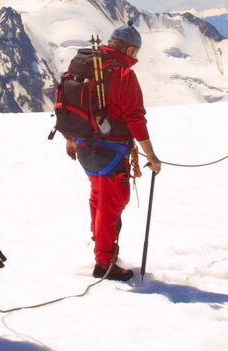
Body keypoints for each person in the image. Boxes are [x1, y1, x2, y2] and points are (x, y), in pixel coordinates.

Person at [63, 25, 162, 281]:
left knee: (98, 199)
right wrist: (151, 155)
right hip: (112, 150)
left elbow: (67, 104)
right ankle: (104, 262)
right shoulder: (122, 73)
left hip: (85, 147)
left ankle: (102, 248)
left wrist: (71, 140)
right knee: (111, 204)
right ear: (129, 49)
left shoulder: (82, 65)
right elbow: (135, 118)